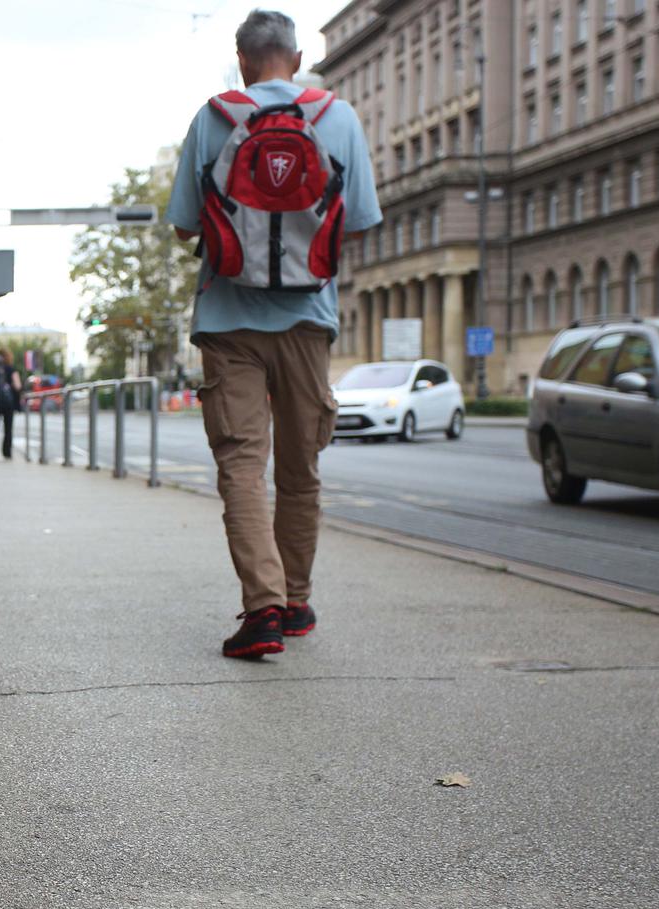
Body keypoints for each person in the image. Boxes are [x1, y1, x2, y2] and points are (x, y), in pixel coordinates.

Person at [166, 9, 381, 659]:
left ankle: (260, 611)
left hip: (228, 323)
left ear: (241, 57)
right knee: (300, 468)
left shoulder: (213, 117)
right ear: (295, 55)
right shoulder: (336, 117)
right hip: (307, 321)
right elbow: (360, 220)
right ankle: (295, 601)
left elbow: (181, 225)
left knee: (240, 467)